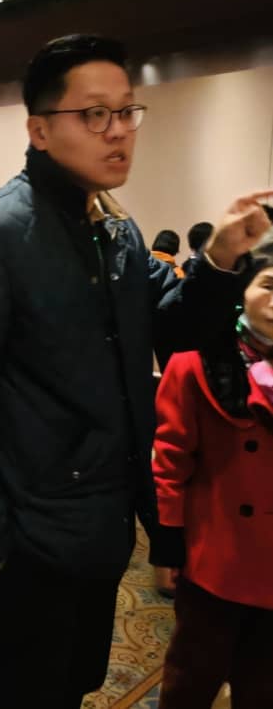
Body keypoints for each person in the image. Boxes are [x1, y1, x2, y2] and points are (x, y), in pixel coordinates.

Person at [0, 33, 272, 709]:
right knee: (17, 693)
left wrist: (221, 259)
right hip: (29, 536)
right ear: (39, 130)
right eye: (94, 114)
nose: (118, 131)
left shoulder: (116, 230)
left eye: (127, 111)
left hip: (102, 524)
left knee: (72, 682)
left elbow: (171, 330)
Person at [151, 237, 273, 709]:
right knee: (190, 679)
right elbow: (170, 463)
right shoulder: (197, 365)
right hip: (215, 560)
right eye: (269, 285)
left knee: (263, 687)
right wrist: (168, 544)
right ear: (244, 290)